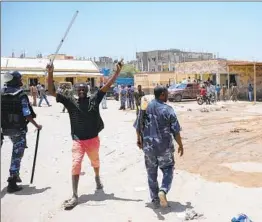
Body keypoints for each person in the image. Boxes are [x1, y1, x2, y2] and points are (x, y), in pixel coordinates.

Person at [46, 60, 123, 210]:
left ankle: (97, 177)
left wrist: (117, 73)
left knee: (95, 162)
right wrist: (50, 73)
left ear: (87, 91)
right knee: (76, 164)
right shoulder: (69, 102)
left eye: (83, 90)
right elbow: (51, 91)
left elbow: (106, 86)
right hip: (78, 141)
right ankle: (75, 195)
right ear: (75, 91)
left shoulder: (94, 100)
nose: (81, 92)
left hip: (93, 139)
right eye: (79, 90)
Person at [134, 86, 184, 209]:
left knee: (151, 174)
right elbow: (176, 131)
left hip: (149, 148)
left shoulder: (145, 108)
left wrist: (138, 139)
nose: (167, 96)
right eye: (166, 93)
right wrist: (181, 145)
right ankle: (163, 190)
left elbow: (138, 126)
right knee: (168, 169)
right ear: (162, 94)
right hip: (164, 148)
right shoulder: (168, 110)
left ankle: (155, 200)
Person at [1, 71, 42, 193]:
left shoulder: (1, 93)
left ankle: (16, 174)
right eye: (20, 79)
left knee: (16, 149)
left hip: (4, 129)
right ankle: (12, 181)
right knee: (17, 154)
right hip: (18, 129)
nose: (21, 81)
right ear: (15, 80)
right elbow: (27, 114)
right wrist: (37, 126)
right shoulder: (20, 95)